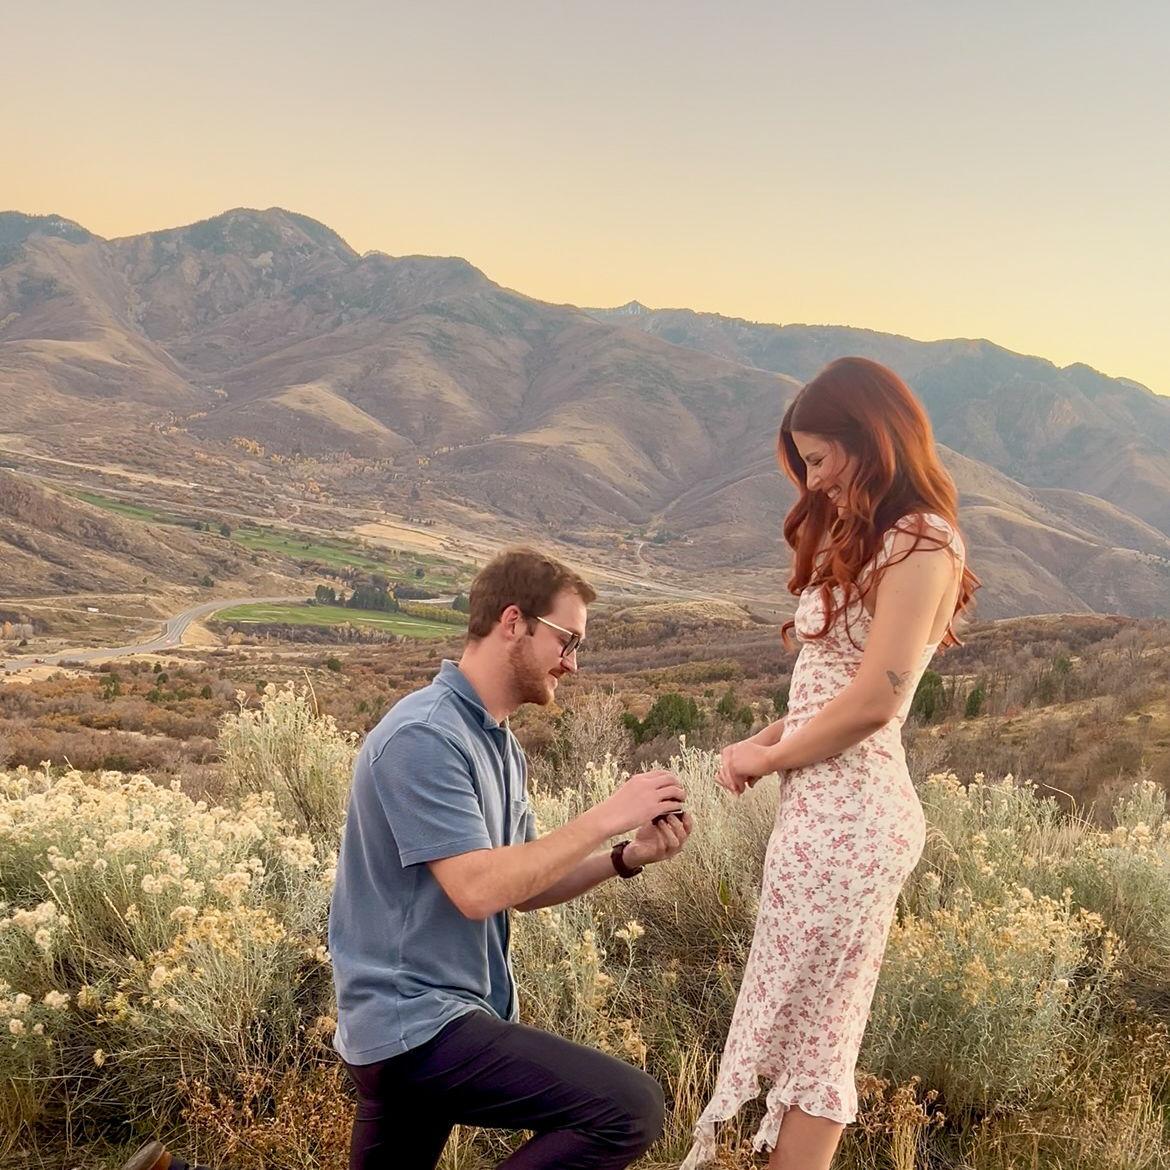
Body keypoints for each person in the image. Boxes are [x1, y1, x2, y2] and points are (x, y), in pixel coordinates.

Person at [682, 357, 979, 1170]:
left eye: (818, 459)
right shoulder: (878, 537)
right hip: (821, 812)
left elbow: (877, 700)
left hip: (855, 817)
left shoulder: (923, 540)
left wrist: (771, 755)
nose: (812, 482)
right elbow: (829, 694)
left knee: (821, 1039)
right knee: (809, 1030)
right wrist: (765, 747)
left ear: (872, 439)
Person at [329, 546, 694, 1170]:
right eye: (567, 640)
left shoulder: (497, 745)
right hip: (416, 1024)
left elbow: (521, 886)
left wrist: (625, 856)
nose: (572, 663)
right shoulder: (426, 736)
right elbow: (478, 890)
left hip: (428, 1021)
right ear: (513, 621)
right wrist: (607, 814)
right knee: (626, 1110)